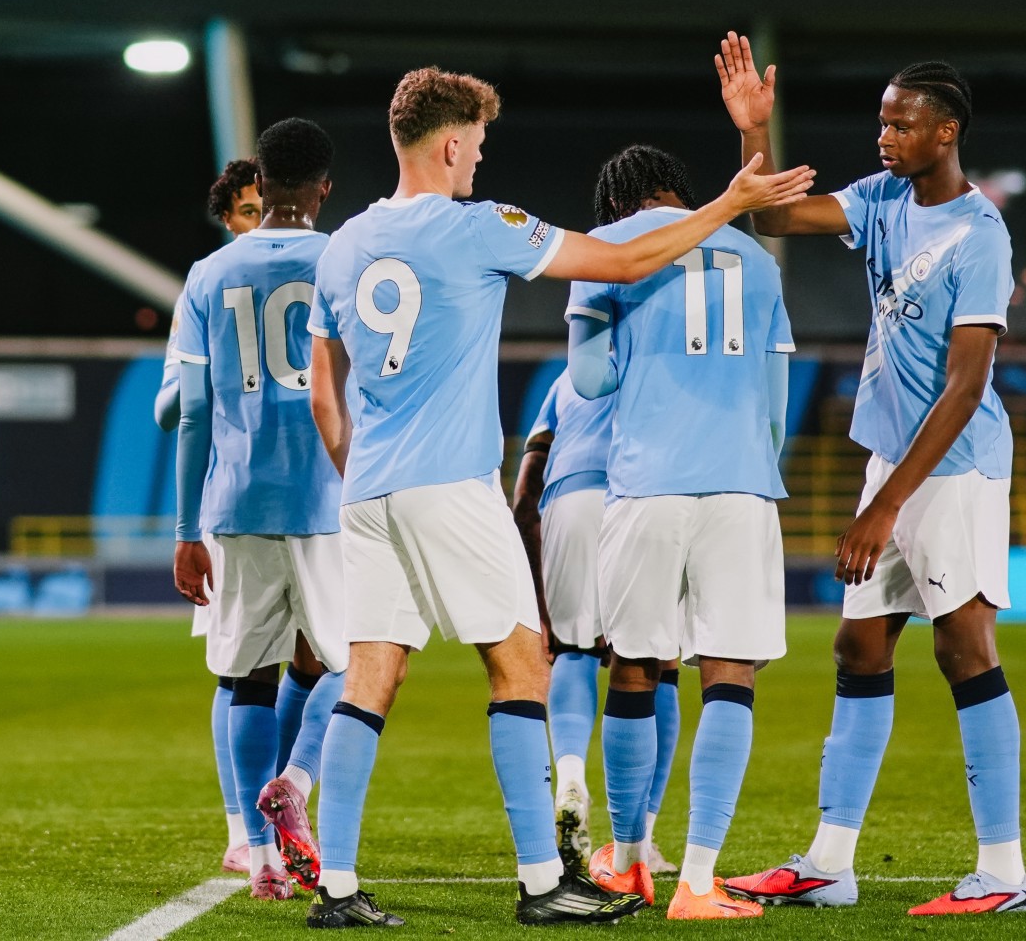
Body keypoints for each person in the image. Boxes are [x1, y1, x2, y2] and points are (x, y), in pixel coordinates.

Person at [305, 68, 814, 927]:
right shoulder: (480, 226)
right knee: (523, 665)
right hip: (451, 483)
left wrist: (361, 464)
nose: (481, 158)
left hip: (368, 490)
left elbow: (325, 390)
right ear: (452, 142)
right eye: (480, 143)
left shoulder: (344, 244)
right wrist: (727, 206)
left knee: (370, 676)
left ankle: (339, 886)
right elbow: (621, 258)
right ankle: (544, 881)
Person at [713, 34, 1026, 916]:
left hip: (954, 467)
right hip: (893, 460)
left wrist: (885, 506)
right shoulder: (883, 197)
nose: (884, 136)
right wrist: (753, 134)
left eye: (902, 124)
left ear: (947, 131)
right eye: (881, 121)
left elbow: (968, 388)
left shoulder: (981, 237)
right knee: (859, 645)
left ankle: (1005, 873)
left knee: (964, 647)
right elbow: (772, 218)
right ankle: (830, 862)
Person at [568, 145, 794, 920]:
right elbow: (775, 405)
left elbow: (590, 379)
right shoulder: (758, 261)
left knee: (634, 668)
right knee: (730, 675)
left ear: (617, 205)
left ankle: (629, 863)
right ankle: (697, 881)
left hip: (646, 484)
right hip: (740, 484)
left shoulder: (612, 251)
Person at [170, 120, 350, 900]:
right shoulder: (345, 261)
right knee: (352, 663)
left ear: (262, 183)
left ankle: (260, 854)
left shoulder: (209, 274)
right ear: (323, 188)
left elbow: (192, 411)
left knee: (246, 676)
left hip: (237, 498)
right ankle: (299, 784)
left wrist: (186, 531)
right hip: (333, 495)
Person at [512, 370, 683, 878]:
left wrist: (542, 610)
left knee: (572, 651)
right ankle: (642, 839)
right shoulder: (657, 359)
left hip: (569, 499)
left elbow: (524, 497)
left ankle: (568, 777)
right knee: (658, 659)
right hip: (641, 492)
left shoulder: (568, 379)